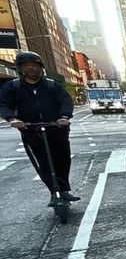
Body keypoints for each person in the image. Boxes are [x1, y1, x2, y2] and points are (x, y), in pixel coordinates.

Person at [0, 51, 80, 206]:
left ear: (40, 67)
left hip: (56, 128)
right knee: (43, 163)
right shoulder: (13, 87)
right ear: (20, 68)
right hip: (31, 131)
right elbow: (4, 105)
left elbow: (65, 101)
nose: (30, 68)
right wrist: (13, 119)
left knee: (63, 160)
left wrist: (64, 117)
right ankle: (53, 191)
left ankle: (63, 190)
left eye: (34, 65)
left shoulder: (52, 85)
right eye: (26, 65)